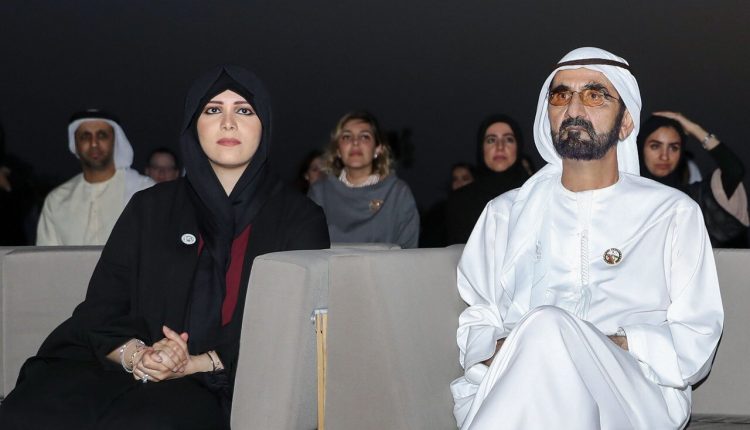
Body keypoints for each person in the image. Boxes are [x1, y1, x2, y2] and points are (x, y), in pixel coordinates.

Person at [0, 66, 330, 429]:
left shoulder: (299, 218)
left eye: (244, 110)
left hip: (226, 377)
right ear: (193, 125)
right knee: (28, 412)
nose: (228, 123)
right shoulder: (150, 206)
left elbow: (294, 330)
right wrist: (138, 355)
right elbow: (101, 307)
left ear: (263, 123)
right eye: (213, 110)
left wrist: (197, 362)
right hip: (128, 364)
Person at [450, 47, 723, 429]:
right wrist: (524, 350)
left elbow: (696, 336)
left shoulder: (671, 213)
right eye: (561, 95)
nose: (574, 109)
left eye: (594, 95)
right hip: (519, 382)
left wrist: (602, 344)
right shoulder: (505, 214)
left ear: (625, 122)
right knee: (545, 335)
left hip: (635, 391)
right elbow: (477, 321)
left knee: (547, 326)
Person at [35, 110, 154, 245]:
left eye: (102, 135)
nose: (94, 144)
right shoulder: (57, 200)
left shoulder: (144, 191)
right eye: (85, 137)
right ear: (75, 144)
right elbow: (46, 255)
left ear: (115, 141)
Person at [308, 111, 419, 248]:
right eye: (347, 137)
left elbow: (408, 252)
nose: (355, 142)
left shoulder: (397, 193)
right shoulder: (319, 193)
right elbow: (310, 248)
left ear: (378, 148)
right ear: (338, 150)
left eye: (365, 137)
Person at [638, 112, 748, 247]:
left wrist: (694, 128)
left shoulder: (693, 200)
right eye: (655, 146)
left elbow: (734, 171)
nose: (664, 156)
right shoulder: (625, 198)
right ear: (640, 148)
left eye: (674, 147)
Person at [444, 114, 531, 244]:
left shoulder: (536, 194)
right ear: (481, 148)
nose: (500, 146)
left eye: (508, 139)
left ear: (518, 147)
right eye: (491, 140)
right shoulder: (460, 201)